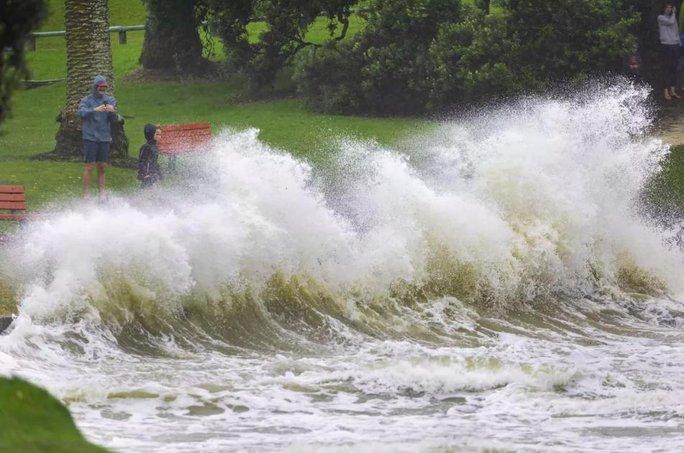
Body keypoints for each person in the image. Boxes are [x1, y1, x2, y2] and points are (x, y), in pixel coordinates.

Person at [78, 75, 117, 198]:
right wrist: (95, 109)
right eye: (100, 87)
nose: (102, 90)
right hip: (90, 137)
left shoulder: (110, 100)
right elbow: (81, 113)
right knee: (89, 166)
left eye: (104, 88)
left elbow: (114, 120)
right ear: (95, 87)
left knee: (102, 166)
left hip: (104, 137)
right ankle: (86, 195)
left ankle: (102, 194)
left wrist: (112, 111)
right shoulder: (86, 100)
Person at [658, 2, 681, 100]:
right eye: (667, 7)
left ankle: (673, 91)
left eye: (670, 8)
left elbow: (676, 30)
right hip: (666, 45)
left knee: (674, 68)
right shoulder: (661, 17)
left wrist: (678, 42)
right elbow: (670, 22)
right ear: (664, 8)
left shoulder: (673, 18)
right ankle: (666, 91)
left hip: (674, 45)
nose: (669, 9)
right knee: (666, 69)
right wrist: (674, 13)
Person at [137, 123, 163, 188]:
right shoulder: (146, 147)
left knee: (153, 190)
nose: (160, 136)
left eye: (160, 134)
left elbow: (155, 161)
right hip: (147, 175)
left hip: (153, 173)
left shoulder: (154, 147)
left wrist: (159, 172)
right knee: (145, 190)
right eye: (157, 134)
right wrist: (144, 173)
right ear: (151, 134)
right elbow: (141, 161)